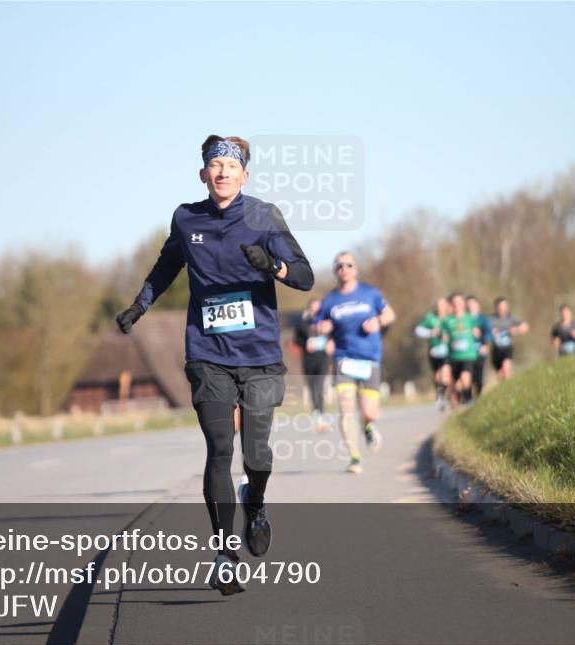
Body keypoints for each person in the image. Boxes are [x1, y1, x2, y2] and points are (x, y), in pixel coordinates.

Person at [115, 135, 313, 595]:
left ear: (245, 175)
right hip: (208, 355)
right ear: (203, 174)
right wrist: (139, 306)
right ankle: (224, 553)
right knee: (220, 448)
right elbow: (166, 267)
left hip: (261, 356)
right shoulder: (187, 219)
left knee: (257, 455)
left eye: (231, 165)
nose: (222, 171)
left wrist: (273, 266)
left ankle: (256, 503)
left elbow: (305, 276)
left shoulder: (264, 215)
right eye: (214, 165)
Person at [314, 251, 396, 474]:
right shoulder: (330, 299)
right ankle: (354, 458)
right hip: (344, 359)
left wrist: (378, 321)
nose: (344, 269)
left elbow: (390, 315)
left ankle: (369, 426)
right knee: (346, 411)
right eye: (339, 265)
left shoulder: (370, 294)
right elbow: (318, 324)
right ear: (335, 270)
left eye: (348, 265)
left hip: (370, 359)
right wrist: (323, 328)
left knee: (370, 412)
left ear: (356, 269)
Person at [293, 298, 334, 431]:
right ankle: (316, 412)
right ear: (309, 309)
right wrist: (305, 344)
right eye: (313, 308)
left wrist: (331, 344)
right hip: (308, 359)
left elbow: (337, 336)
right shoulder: (302, 323)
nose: (316, 311)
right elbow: (296, 340)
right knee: (312, 387)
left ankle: (320, 414)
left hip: (323, 358)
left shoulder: (328, 323)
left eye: (318, 308)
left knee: (319, 385)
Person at [439, 293, 479, 408]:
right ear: (452, 305)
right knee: (453, 387)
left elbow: (478, 329)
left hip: (468, 355)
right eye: (454, 302)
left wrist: (477, 333)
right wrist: (443, 336)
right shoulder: (448, 321)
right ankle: (454, 410)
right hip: (453, 356)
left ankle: (468, 399)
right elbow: (441, 333)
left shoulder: (470, 318)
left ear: (463, 304)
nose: (457, 304)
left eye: (459, 302)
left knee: (465, 378)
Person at [414, 296, 451, 411]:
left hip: (448, 351)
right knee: (438, 376)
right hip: (434, 350)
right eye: (438, 305)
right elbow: (418, 331)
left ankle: (441, 396)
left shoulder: (450, 318)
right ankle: (440, 396)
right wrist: (430, 333)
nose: (440, 308)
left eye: (442, 305)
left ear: (447, 306)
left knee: (445, 375)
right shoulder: (430, 318)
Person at [488, 297, 529, 382]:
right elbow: (484, 331)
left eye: (504, 306)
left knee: (507, 367)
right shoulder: (491, 319)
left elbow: (525, 326)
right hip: (496, 350)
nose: (503, 309)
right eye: (500, 306)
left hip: (507, 348)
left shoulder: (511, 318)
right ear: (496, 307)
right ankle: (504, 389)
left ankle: (510, 387)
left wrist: (517, 329)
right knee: (500, 374)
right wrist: (491, 332)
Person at [466, 296, 492, 397]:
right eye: (468, 305)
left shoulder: (483, 319)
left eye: (472, 305)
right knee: (468, 374)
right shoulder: (464, 318)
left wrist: (484, 344)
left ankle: (479, 393)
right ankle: (468, 398)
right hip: (467, 352)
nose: (470, 307)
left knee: (479, 375)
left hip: (479, 350)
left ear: (478, 306)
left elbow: (489, 334)